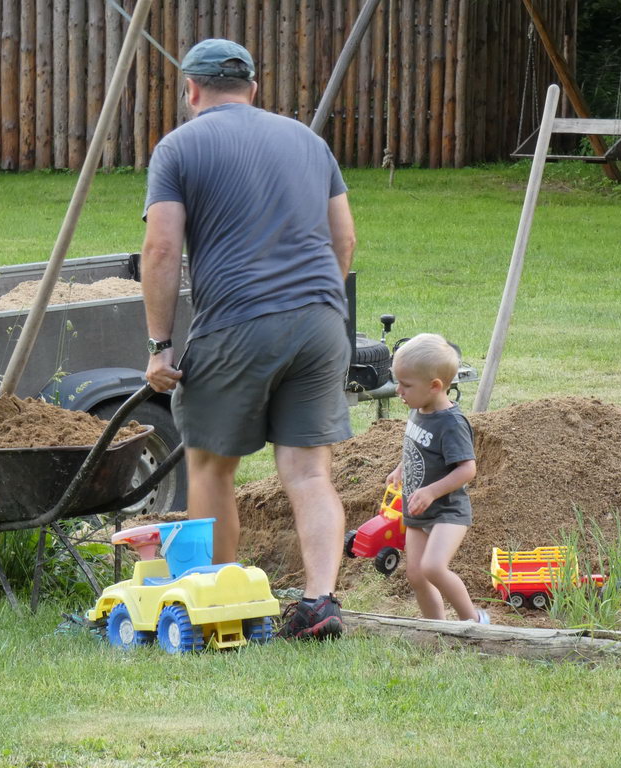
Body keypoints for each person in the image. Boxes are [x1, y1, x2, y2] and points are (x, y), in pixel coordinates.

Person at [140, 39, 356, 640]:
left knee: (211, 465)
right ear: (253, 89)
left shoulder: (178, 147)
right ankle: (320, 601)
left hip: (237, 322)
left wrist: (159, 346)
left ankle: (219, 602)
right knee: (309, 472)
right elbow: (344, 240)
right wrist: (317, 301)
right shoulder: (308, 142)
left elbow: (161, 249)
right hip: (322, 322)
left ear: (191, 90)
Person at [385, 334, 488, 624]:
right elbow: (419, 447)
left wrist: (431, 491)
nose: (398, 390)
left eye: (406, 385)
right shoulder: (420, 409)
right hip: (419, 510)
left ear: (434, 386)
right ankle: (437, 628)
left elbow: (467, 469)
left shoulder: (451, 423)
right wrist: (401, 468)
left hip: (447, 511)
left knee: (432, 567)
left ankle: (474, 624)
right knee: (416, 575)